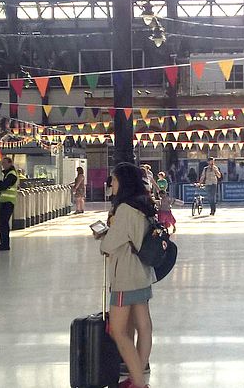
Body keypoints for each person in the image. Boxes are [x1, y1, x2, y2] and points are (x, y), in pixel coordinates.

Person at [95, 162, 155, 388]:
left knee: (119, 332)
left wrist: (102, 239)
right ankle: (138, 375)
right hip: (143, 273)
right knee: (144, 326)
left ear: (124, 181)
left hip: (125, 277)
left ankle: (138, 383)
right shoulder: (144, 205)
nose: (111, 183)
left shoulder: (125, 210)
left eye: (115, 179)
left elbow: (109, 245)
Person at [0, 157, 18, 252]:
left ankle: (5, 244)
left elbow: (3, 186)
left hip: (8, 202)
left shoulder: (11, 175)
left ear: (10, 163)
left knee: (4, 224)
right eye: (2, 163)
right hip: (4, 201)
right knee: (2, 224)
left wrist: (0, 184)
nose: (3, 165)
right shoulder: (6, 174)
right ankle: (3, 243)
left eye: (4, 163)